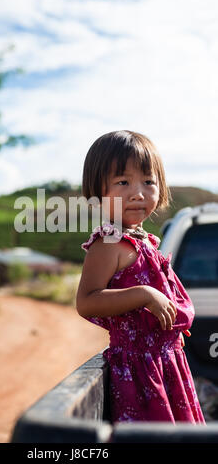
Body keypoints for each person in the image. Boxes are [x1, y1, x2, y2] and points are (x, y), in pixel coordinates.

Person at [76, 130, 206, 424]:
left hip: (167, 361)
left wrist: (167, 327)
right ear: (97, 190)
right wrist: (144, 294)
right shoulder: (109, 244)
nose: (138, 192)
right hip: (140, 373)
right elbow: (86, 302)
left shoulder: (146, 242)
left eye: (148, 182)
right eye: (123, 182)